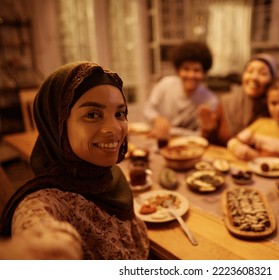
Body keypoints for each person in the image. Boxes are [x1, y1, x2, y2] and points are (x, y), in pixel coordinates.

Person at [0, 62, 150, 259]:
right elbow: (34, 221)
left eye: (119, 114)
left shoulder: (110, 175)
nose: (114, 129)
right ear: (57, 124)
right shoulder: (49, 200)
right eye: (92, 115)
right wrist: (38, 246)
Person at [198, 53, 277, 146]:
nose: (254, 77)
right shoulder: (227, 103)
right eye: (249, 71)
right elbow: (210, 144)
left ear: (272, 79)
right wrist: (208, 131)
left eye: (262, 73)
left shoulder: (276, 108)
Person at [143, 41, 218, 137]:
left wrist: (207, 130)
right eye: (186, 69)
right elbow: (147, 108)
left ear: (204, 73)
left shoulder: (210, 100)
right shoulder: (165, 84)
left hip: (190, 146)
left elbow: (200, 134)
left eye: (196, 70)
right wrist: (157, 118)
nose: (191, 75)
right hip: (160, 139)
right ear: (178, 71)